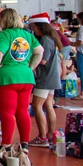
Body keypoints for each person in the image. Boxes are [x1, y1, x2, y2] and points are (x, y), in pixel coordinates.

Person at [0, 8, 43, 147]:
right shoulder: (27, 35)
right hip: (26, 77)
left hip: (6, 78)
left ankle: (6, 144)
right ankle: (24, 144)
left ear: (5, 20)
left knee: (7, 112)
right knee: (23, 111)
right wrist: (30, 67)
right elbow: (39, 52)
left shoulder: (4, 35)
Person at [26, 14, 62, 147]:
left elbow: (43, 60)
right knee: (48, 105)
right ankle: (50, 135)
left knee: (37, 105)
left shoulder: (45, 40)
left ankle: (42, 137)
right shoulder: (51, 38)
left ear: (40, 26)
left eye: (34, 27)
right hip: (52, 76)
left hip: (45, 77)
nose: (33, 30)